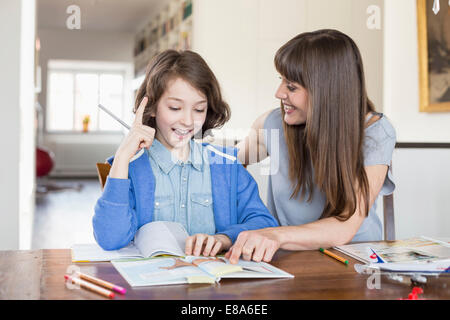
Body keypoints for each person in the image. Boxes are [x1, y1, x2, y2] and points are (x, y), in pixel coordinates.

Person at [226, 29, 396, 264]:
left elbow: (346, 225)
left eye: (291, 87)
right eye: (281, 81)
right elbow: (226, 166)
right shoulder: (272, 124)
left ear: (326, 92)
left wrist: (274, 235)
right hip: (285, 259)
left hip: (354, 261)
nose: (279, 93)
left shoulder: (376, 133)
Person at [93, 50, 278, 257]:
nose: (188, 121)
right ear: (152, 107)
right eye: (175, 108)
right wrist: (121, 159)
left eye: (199, 110)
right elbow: (110, 238)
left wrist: (224, 239)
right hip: (153, 285)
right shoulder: (132, 168)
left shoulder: (227, 165)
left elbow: (264, 224)